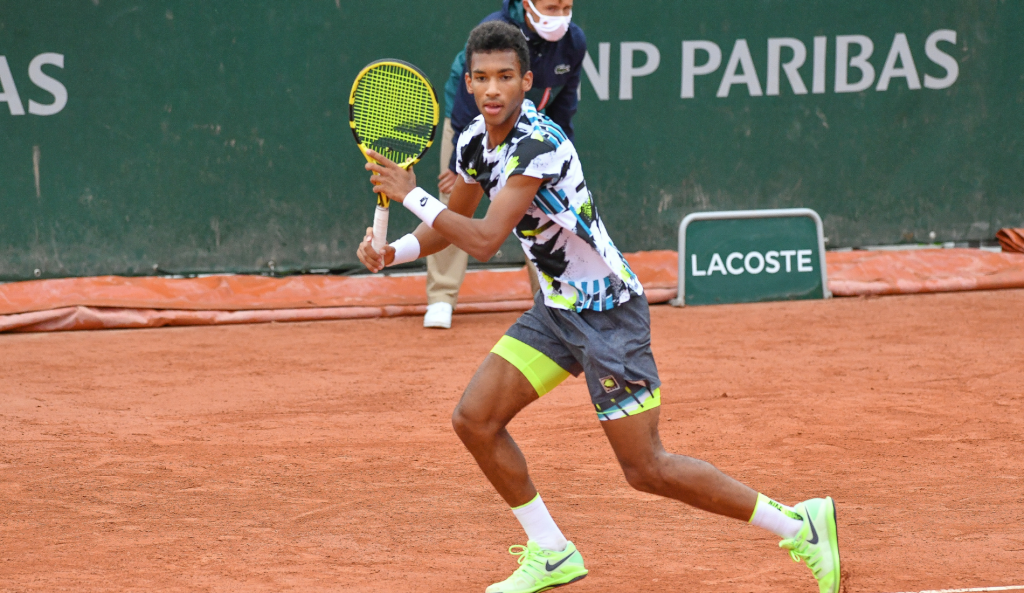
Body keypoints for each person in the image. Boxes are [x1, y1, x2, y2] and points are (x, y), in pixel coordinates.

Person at [357, 21, 841, 593]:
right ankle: (552, 551)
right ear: (467, 81)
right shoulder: (470, 141)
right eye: (481, 77)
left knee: (646, 468)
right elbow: (452, 223)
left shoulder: (540, 142)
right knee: (476, 419)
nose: (492, 89)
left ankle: (799, 524)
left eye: (506, 77)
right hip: (556, 309)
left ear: (527, 80)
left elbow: (485, 238)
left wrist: (411, 190)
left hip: (609, 314)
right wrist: (396, 250)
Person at [425, 0, 584, 329]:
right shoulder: (498, 33)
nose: (560, 17)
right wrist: (460, 160)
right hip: (473, 119)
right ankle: (442, 297)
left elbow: (564, 104)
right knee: (455, 207)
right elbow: (470, 100)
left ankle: (550, 299)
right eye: (551, 7)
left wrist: (556, 156)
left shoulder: (574, 41)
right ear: (527, 4)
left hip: (530, 129)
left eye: (566, 7)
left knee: (542, 207)